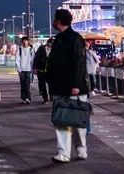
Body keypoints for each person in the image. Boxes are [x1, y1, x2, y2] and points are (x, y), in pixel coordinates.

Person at [47, 9, 90, 163]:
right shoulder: (59, 38)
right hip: (60, 86)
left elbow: (79, 63)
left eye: (55, 19)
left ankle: (81, 149)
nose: (53, 22)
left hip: (74, 87)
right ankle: (63, 153)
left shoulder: (75, 38)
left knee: (77, 121)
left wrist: (76, 84)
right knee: (61, 121)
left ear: (59, 21)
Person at [33, 38, 53, 104]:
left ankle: (51, 95)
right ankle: (45, 98)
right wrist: (35, 68)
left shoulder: (55, 50)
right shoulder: (41, 48)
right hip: (41, 70)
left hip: (50, 71)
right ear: (49, 43)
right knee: (42, 85)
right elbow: (36, 58)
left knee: (51, 84)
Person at [16, 36, 34, 104]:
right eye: (23, 40)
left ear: (28, 41)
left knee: (27, 85)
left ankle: (28, 98)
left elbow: (33, 60)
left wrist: (32, 68)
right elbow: (17, 60)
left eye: (26, 40)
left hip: (28, 70)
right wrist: (19, 69)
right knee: (23, 85)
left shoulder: (31, 50)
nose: (24, 41)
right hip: (22, 70)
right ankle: (24, 98)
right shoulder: (19, 49)